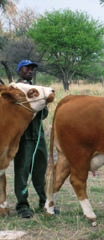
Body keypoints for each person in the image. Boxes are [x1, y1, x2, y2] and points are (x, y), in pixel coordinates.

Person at [13, 60, 49, 218]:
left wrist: (42, 104)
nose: (30, 71)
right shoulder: (13, 89)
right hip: (23, 137)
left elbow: (44, 115)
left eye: (32, 69)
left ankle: (45, 202)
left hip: (38, 136)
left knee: (41, 170)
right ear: (19, 70)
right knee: (22, 172)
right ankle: (22, 206)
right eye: (27, 68)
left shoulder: (37, 90)